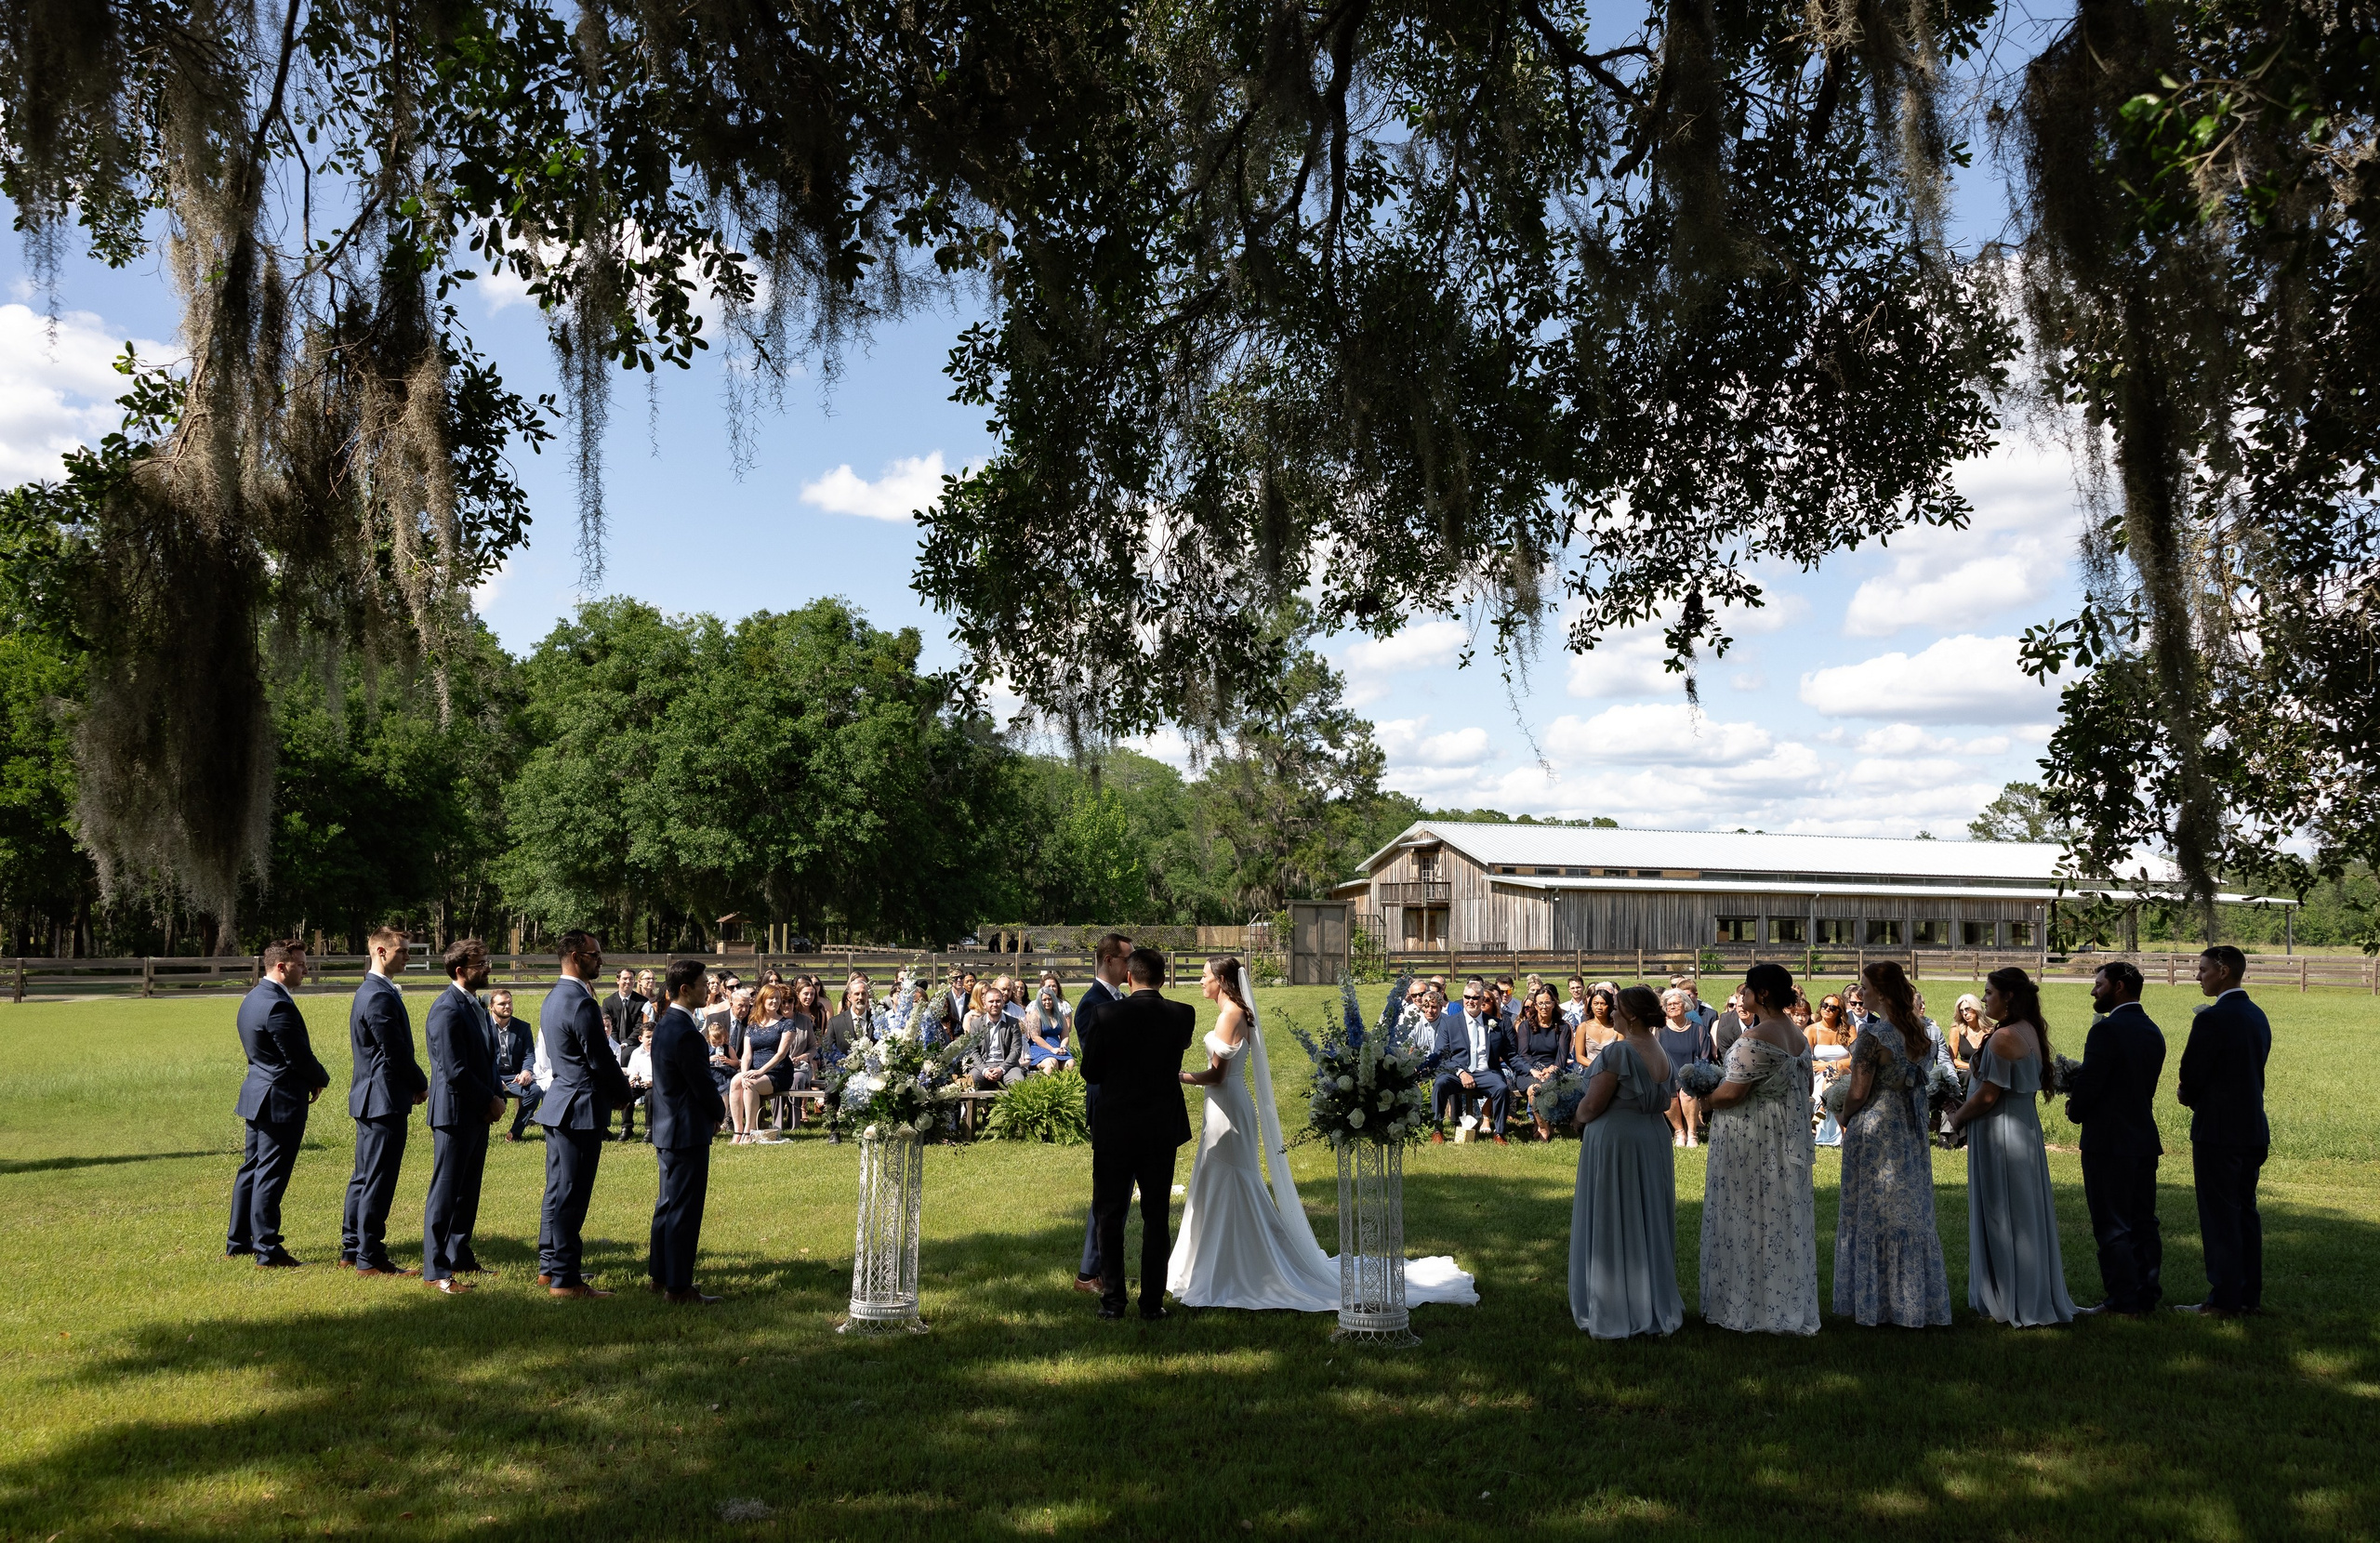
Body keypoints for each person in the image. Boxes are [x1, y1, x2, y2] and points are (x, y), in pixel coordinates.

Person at [1166, 956, 1477, 1313]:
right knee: (1218, 1177)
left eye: (1204, 976)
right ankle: (1211, 1259)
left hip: (1227, 1107)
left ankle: (1237, 1263)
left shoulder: (1231, 1014)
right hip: (1222, 1106)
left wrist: (1176, 1076)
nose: (1200, 981)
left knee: (1232, 1179)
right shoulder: (1233, 1012)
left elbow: (1217, 1076)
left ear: (1221, 979)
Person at [1948, 966, 2075, 1326]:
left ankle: (2009, 1297)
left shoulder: (2005, 1038)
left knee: (2003, 1211)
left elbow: (1988, 1095)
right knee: (2019, 1210)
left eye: (1989, 992)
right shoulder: (2025, 1029)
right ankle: (2015, 1291)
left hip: (2001, 1132)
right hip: (2019, 1129)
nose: (1984, 997)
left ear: (2009, 997)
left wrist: (1956, 1119)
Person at [1698, 963, 1818, 1335]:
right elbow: (1806, 1083)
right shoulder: (1797, 1035)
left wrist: (1704, 1101)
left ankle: (1749, 1307)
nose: (1742, 995)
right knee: (1778, 1212)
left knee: (1746, 1210)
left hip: (1752, 1137)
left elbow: (1733, 1092)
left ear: (1762, 994)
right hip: (1782, 1134)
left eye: (1747, 989)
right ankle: (1780, 1299)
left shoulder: (1756, 1037)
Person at [1831, 961, 1952, 1326]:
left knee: (1873, 1209)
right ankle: (1912, 1302)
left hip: (1877, 1129)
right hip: (1909, 1127)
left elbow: (1858, 1091)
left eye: (1865, 988)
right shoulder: (1918, 1032)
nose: (1860, 993)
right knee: (1909, 1207)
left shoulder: (1874, 1037)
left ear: (1881, 994)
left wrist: (1843, 1114)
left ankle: (1878, 1305)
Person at [1079, 947, 1197, 1321]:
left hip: (1115, 1127)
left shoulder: (1105, 1014)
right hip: (1160, 1126)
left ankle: (1113, 1301)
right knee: (1156, 1216)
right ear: (1164, 978)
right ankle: (1151, 1303)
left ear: (1129, 977)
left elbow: (1091, 1072)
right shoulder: (1183, 1014)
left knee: (1110, 1215)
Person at [1568, 984, 1684, 1338]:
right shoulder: (1661, 1052)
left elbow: (1592, 1104)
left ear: (1631, 1015)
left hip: (1617, 1141)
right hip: (1652, 1140)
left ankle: (1615, 1304)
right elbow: (1666, 1102)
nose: (1611, 1012)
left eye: (1616, 1007)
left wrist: (1574, 1114)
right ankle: (1648, 1301)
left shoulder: (1619, 1052)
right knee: (1647, 1216)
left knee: (1614, 1213)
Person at [535, 930, 636, 1299]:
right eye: (595, 955)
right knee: (572, 1196)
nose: (600, 961)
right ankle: (566, 1279)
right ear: (576, 957)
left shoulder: (553, 997)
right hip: (579, 1109)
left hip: (560, 1105)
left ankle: (551, 1267)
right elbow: (600, 1059)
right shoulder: (581, 1003)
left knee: (558, 1191)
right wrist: (623, 1094)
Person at [2177, 944, 2271, 1317]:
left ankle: (2222, 1300)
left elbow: (2192, 1073)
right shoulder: (2257, 1014)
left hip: (2218, 1131)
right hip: (2252, 1127)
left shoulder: (2212, 1019)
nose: (2197, 976)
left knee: (2220, 1217)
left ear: (2223, 970)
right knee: (2246, 1213)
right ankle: (2248, 1296)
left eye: (2202, 969)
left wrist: (2188, 1093)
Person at [2069, 961, 2166, 1317]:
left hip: (2108, 1141)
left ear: (2120, 987)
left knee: (2112, 1224)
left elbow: (2091, 1084)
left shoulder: (2106, 1031)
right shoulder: (2153, 1030)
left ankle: (2122, 1300)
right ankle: (2145, 1293)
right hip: (2142, 1138)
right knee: (2143, 1221)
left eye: (2099, 984)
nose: (2094, 991)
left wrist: (2074, 1109)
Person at [229, 941, 330, 1268]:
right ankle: (268, 1249)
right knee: (270, 1174)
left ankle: (238, 1241)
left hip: (258, 1093)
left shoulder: (252, 998)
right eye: (301, 964)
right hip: (280, 1099)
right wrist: (321, 1077)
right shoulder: (277, 1005)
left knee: (252, 1170)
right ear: (281, 967)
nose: (306, 969)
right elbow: (297, 1055)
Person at [342, 926, 428, 1277]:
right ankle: (370, 1257)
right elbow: (393, 1052)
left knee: (364, 1177)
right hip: (383, 1099)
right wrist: (420, 1082)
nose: (408, 956)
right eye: (403, 951)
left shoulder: (374, 990)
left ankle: (352, 1248)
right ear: (380, 952)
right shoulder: (378, 995)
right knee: (377, 1179)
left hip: (373, 1097)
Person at [421, 939, 504, 1294]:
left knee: (467, 1191)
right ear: (460, 971)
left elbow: (485, 1060)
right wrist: (490, 1099)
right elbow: (454, 1070)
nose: (487, 968)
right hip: (455, 1113)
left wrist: (496, 1094)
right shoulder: (447, 1010)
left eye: (487, 961)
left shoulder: (475, 1005)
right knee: (446, 1191)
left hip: (477, 1112)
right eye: (480, 963)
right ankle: (436, 1270)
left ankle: (460, 1255)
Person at [647, 957, 728, 1305]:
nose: (709, 988)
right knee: (684, 1210)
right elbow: (701, 1085)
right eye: (703, 983)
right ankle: (678, 1287)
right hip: (686, 1130)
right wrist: (719, 1111)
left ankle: (660, 1274)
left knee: (668, 1204)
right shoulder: (687, 1035)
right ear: (685, 989)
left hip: (668, 1128)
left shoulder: (665, 1025)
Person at [1071, 932, 1133, 1296]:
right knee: (1108, 1196)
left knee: (1119, 1195)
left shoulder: (1118, 999)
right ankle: (1088, 1273)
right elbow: (1097, 1062)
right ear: (1109, 960)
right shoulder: (1090, 1004)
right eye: (1127, 959)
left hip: (1125, 1107)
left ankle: (1101, 1270)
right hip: (1108, 1107)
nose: (1131, 966)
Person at [1430, 978, 1514, 1145]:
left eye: (1475, 998)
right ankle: (1437, 1129)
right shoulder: (1449, 1023)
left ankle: (1499, 1133)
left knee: (1502, 1088)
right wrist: (1461, 1072)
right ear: (1463, 998)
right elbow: (1441, 1055)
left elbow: (1511, 1054)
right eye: (1467, 997)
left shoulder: (1496, 1024)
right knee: (1440, 1083)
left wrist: (1530, 1071)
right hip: (1457, 1073)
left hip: (1486, 1072)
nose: (1471, 1001)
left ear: (1482, 1000)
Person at [728, 983, 795, 1144]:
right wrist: (744, 1073)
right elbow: (747, 1054)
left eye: (778, 998)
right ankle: (738, 1130)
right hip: (754, 1071)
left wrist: (760, 1071)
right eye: (771, 998)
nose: (775, 1001)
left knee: (750, 1084)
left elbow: (781, 1054)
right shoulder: (753, 1025)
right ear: (762, 1001)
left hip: (778, 1072)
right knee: (736, 1081)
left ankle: (749, 1132)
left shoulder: (787, 1024)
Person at [1512, 985, 1573, 1141]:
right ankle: (1542, 1126)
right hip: (1529, 1070)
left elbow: (1562, 1056)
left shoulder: (1563, 1027)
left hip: (1554, 1069)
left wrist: (1551, 1070)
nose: (1544, 1007)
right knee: (1535, 1090)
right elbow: (1523, 1054)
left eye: (1547, 1002)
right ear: (1535, 1005)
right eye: (1540, 1003)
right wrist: (1539, 1069)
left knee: (1548, 1086)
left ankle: (1544, 1125)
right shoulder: (1525, 1026)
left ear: (1554, 1003)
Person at [1655, 988, 1711, 1148]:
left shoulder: (1697, 1029)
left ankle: (1692, 1133)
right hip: (1668, 1074)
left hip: (1691, 1075)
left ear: (1685, 1005)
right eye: (1668, 1004)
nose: (1671, 1007)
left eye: (1675, 1004)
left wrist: (1696, 1075)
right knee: (1670, 1094)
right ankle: (1679, 1131)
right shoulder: (1660, 1029)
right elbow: (1656, 1056)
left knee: (1687, 1093)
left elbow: (1705, 1057)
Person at [494, 990, 541, 1141]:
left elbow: (529, 1054)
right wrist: (493, 1078)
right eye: (502, 1004)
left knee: (534, 1090)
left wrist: (526, 1071)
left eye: (509, 1002)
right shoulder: (483, 1027)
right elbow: (478, 1057)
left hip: (513, 1075)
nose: (507, 1006)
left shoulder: (522, 1027)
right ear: (491, 1007)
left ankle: (515, 1132)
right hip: (490, 1075)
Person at [965, 982, 1027, 1088]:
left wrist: (1001, 1069)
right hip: (983, 1066)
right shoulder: (976, 1024)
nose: (995, 1004)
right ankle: (972, 1106)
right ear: (984, 1004)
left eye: (998, 1001)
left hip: (1007, 1066)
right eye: (991, 1001)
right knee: (966, 1084)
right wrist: (984, 1070)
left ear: (1003, 1002)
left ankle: (1012, 1106)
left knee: (1019, 1083)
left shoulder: (1013, 1023)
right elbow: (972, 1051)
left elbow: (1016, 1051)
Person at [1023, 981, 1074, 1074]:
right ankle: (1044, 1086)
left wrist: (1063, 1047)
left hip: (1057, 1047)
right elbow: (1035, 1037)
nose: (1047, 1002)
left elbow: (1065, 1036)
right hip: (1040, 1048)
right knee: (1052, 1062)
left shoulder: (1060, 1015)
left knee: (1070, 1064)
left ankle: (1063, 1086)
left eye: (1050, 999)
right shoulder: (1036, 1014)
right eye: (1044, 1000)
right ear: (1039, 1001)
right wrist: (1052, 1049)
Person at [1949, 994, 1990, 1070]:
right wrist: (1973, 1067)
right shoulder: (1956, 1030)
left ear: (1976, 1009)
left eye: (1968, 1009)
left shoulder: (1991, 1030)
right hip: (1967, 1073)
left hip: (1987, 1072)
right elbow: (1951, 1060)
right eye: (1961, 1011)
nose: (1964, 1013)